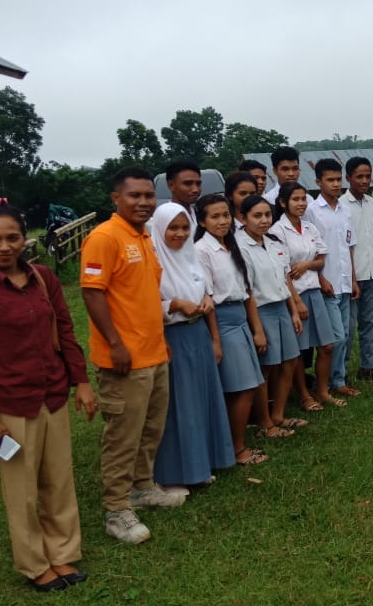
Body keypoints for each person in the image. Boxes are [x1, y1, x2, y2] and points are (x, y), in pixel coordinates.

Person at [0, 206, 97, 591]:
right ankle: (36, 565)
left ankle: (63, 554)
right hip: (10, 405)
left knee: (59, 480)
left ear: (24, 238)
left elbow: (65, 331)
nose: (4, 246)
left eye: (12, 237)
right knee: (21, 491)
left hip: (52, 395)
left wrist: (80, 382)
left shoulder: (43, 278)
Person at [80, 167, 181, 547]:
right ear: (116, 199)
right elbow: (92, 292)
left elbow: (144, 294)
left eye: (147, 196)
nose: (143, 202)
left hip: (153, 352)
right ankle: (116, 508)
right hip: (124, 359)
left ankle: (142, 489)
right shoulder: (105, 237)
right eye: (134, 196)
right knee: (122, 435)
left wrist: (159, 338)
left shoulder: (143, 236)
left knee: (150, 429)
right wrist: (116, 343)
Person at [148, 202, 236, 490]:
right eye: (173, 228)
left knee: (201, 400)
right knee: (179, 406)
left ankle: (204, 462)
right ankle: (177, 472)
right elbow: (145, 305)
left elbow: (205, 294)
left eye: (185, 227)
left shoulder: (191, 258)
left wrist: (213, 332)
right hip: (173, 337)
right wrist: (173, 304)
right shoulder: (154, 261)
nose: (180, 233)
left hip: (198, 334)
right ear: (160, 229)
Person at [193, 193, 268, 464]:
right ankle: (236, 449)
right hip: (222, 321)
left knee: (247, 385)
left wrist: (256, 329)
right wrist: (215, 339)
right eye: (214, 216)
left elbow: (246, 291)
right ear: (202, 221)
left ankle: (232, 445)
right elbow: (209, 298)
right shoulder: (202, 250)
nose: (222, 221)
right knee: (242, 388)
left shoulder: (230, 246)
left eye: (226, 215)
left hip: (240, 319)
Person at [271, 182, 347, 410]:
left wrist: (305, 264)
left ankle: (322, 391)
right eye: (295, 199)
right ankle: (304, 395)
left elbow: (321, 260)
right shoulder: (276, 231)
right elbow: (283, 271)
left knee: (327, 346)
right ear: (283, 203)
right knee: (298, 352)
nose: (301, 203)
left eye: (303, 198)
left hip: (314, 291)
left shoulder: (309, 227)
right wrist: (296, 302)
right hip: (296, 295)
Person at [236, 194, 307, 434]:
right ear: (243, 218)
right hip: (261, 310)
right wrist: (257, 329)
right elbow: (248, 290)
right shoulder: (240, 247)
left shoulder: (274, 242)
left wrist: (294, 311)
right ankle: (264, 421)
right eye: (257, 216)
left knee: (290, 361)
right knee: (265, 367)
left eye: (267, 215)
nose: (264, 220)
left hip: (282, 308)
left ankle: (278, 414)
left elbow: (283, 280)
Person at [304, 159, 361, 398]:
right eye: (330, 180)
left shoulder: (345, 209)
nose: (336, 184)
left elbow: (349, 247)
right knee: (334, 337)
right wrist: (320, 278)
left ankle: (338, 379)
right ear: (318, 182)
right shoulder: (311, 211)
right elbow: (310, 249)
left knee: (346, 334)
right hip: (325, 284)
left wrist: (354, 280)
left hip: (345, 281)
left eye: (338, 179)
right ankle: (326, 383)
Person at [343, 156, 373, 381]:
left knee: (370, 322)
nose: (364, 180)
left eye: (368, 176)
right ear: (348, 178)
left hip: (372, 273)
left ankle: (368, 367)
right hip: (350, 277)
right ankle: (340, 372)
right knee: (348, 328)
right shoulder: (341, 206)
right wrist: (351, 277)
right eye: (359, 176)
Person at [163, 159, 202, 232]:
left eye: (198, 184)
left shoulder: (196, 213)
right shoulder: (166, 217)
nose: (195, 189)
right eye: (188, 183)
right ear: (171, 185)